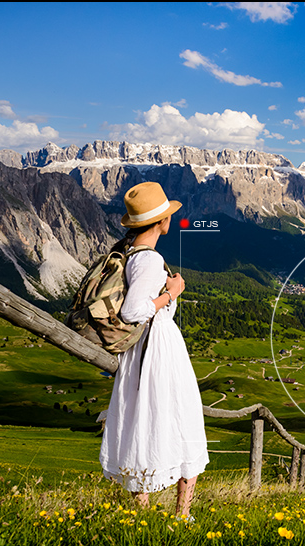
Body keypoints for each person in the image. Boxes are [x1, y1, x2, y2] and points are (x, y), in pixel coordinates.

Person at [99, 182, 208, 520]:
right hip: (158, 349)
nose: (170, 221)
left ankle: (143, 516)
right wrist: (171, 292)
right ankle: (182, 514)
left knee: (141, 424)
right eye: (168, 216)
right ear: (162, 222)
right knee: (183, 422)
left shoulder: (128, 253)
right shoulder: (149, 259)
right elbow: (134, 311)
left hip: (141, 351)